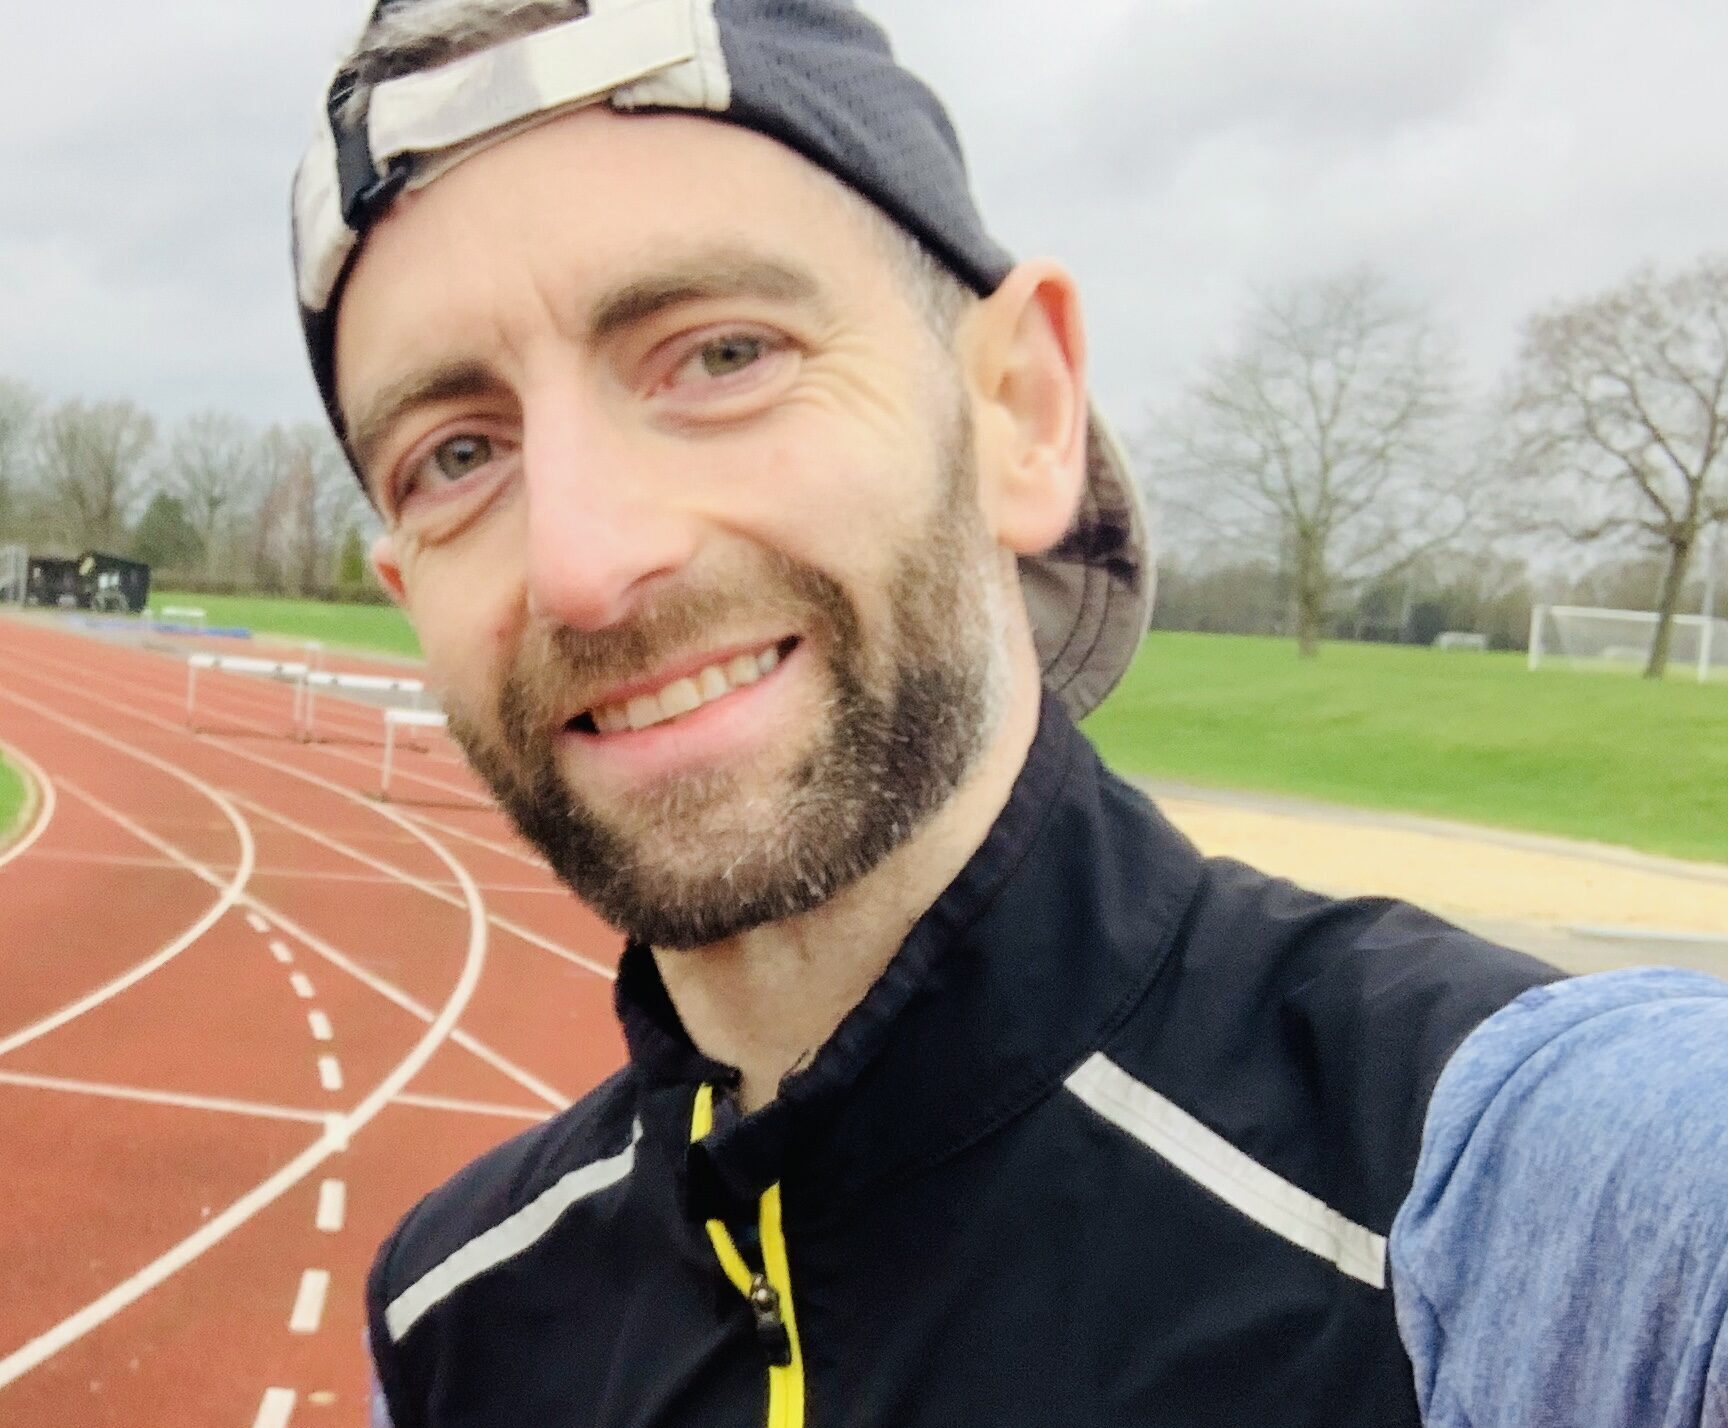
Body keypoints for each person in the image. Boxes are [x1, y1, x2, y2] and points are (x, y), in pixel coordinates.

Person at [291, 2, 1728, 1424]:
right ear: (405, 587)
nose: (585, 565)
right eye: (458, 452)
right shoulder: (449, 1324)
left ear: (1022, 411)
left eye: (723, 353)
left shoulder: (1511, 1211)